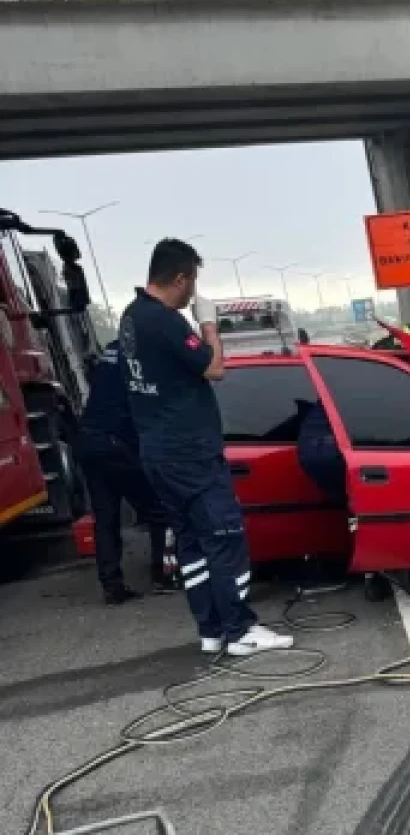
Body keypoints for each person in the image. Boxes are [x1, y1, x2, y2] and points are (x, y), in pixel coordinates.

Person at [119, 238, 293, 657]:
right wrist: (209, 326)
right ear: (180, 278)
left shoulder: (130, 317)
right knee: (225, 537)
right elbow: (214, 368)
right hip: (190, 451)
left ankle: (211, 631)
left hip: (158, 450)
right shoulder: (163, 320)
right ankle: (240, 629)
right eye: (192, 282)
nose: (193, 292)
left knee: (192, 543)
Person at [74, 339, 176, 604]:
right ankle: (162, 574)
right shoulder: (144, 355)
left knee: (105, 517)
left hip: (88, 440)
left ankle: (112, 585)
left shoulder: (114, 348)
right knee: (157, 509)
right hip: (116, 445)